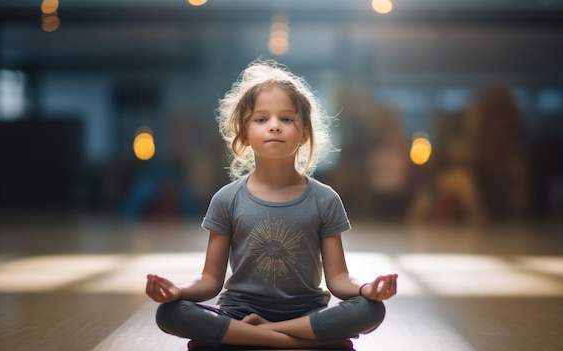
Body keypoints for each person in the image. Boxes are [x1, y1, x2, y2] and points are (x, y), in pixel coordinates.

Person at [145, 59, 398, 350]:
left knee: (371, 310)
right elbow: (210, 280)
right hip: (238, 312)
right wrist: (178, 291)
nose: (274, 126)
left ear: (304, 133)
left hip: (305, 313)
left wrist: (367, 289)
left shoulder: (325, 198)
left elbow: (338, 278)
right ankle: (299, 345)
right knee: (170, 312)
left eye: (287, 119)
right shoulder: (226, 199)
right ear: (244, 133)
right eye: (261, 119)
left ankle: (248, 338)